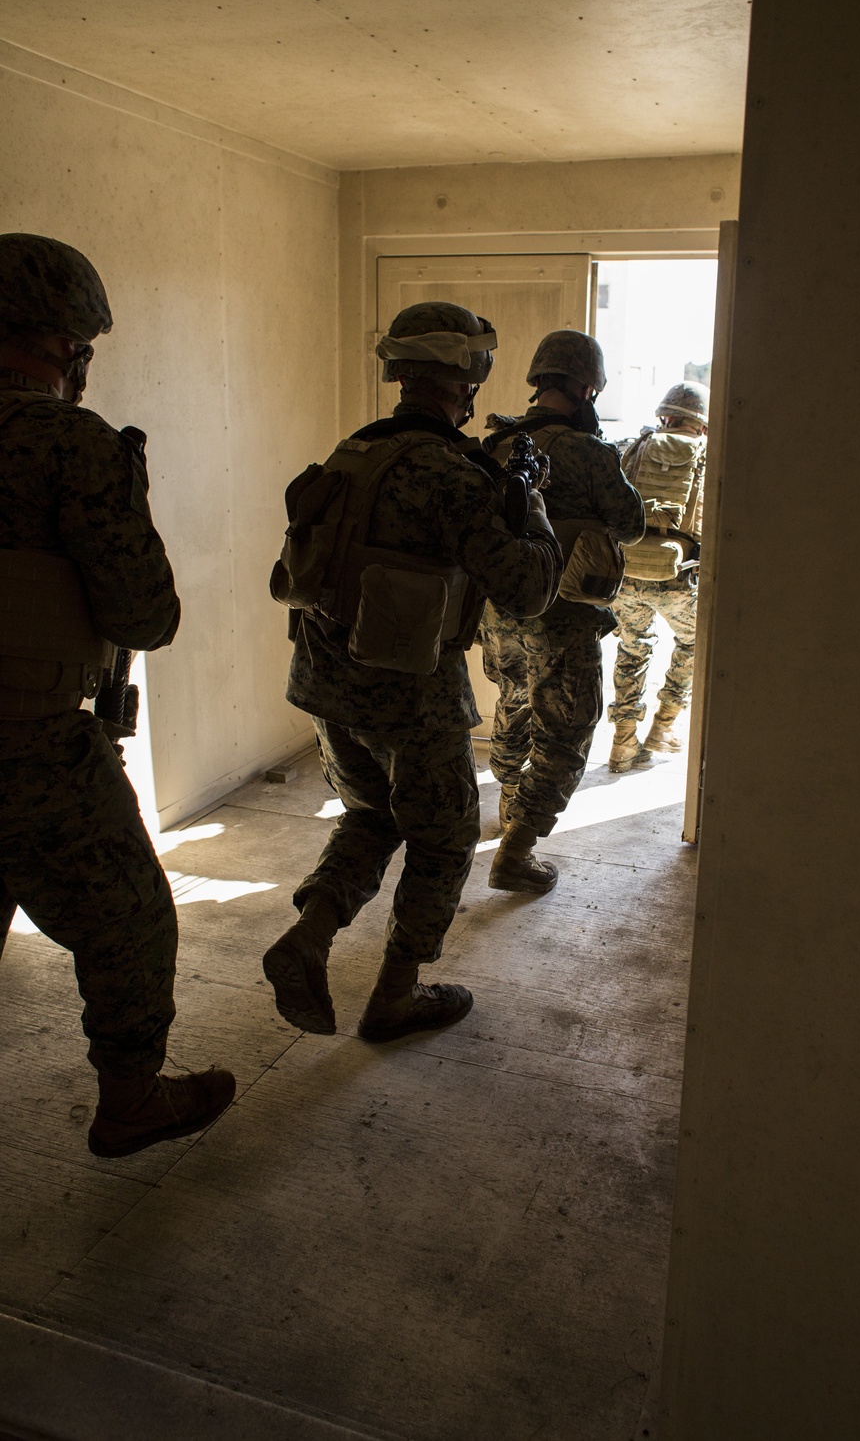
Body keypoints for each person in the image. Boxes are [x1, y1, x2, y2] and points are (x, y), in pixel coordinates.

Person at [262, 302, 561, 1040]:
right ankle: (395, 994)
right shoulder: (455, 475)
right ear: (467, 374)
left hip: (325, 685)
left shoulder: (352, 452)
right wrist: (534, 506)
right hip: (410, 699)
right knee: (444, 837)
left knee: (370, 815)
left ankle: (310, 934)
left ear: (400, 373)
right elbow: (526, 590)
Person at [0, 233, 235, 1157]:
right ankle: (132, 1098)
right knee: (131, 919)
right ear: (67, 347)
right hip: (31, 740)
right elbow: (144, 616)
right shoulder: (72, 445)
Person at [479, 330, 645, 894]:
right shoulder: (589, 452)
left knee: (513, 700)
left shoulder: (496, 444)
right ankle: (517, 851)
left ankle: (507, 801)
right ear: (587, 388)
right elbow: (631, 524)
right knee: (567, 732)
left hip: (500, 615)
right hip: (565, 618)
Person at [607, 380, 709, 772]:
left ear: (665, 415)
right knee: (695, 643)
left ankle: (622, 743)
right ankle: (663, 727)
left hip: (628, 572)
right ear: (701, 423)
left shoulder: (636, 446)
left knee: (632, 649)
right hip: (679, 577)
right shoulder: (708, 454)